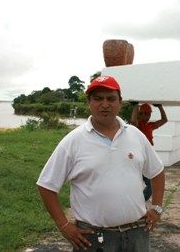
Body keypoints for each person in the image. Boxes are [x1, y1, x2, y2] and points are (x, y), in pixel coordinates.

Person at [37, 76, 165, 252]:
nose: (105, 104)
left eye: (111, 98)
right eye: (98, 98)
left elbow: (157, 171)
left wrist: (157, 208)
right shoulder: (73, 140)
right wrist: (64, 225)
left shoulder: (135, 135)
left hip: (138, 234)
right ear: (89, 102)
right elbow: (46, 185)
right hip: (95, 239)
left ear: (120, 102)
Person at [130, 102, 167, 201]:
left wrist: (160, 106)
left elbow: (164, 120)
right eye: (142, 113)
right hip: (138, 157)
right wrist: (135, 106)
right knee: (148, 184)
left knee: (149, 184)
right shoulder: (137, 126)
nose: (144, 116)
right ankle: (138, 202)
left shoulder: (150, 125)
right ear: (138, 114)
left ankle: (138, 201)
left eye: (147, 114)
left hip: (146, 158)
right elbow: (133, 122)